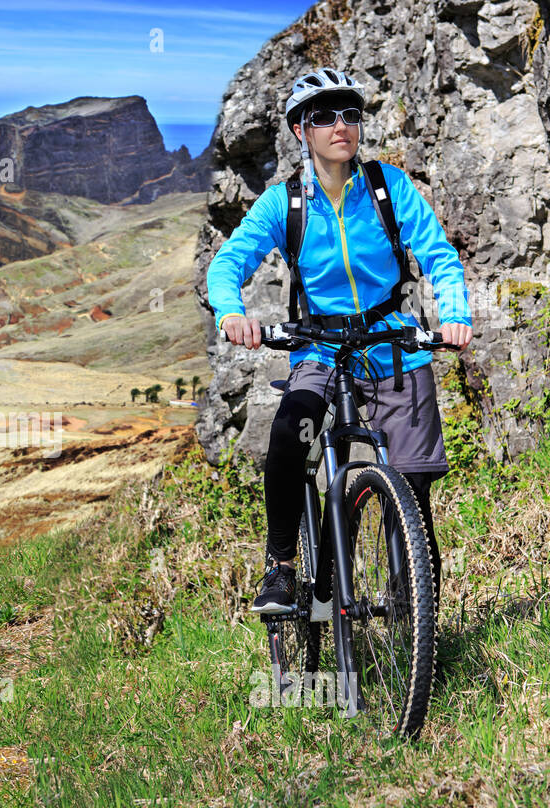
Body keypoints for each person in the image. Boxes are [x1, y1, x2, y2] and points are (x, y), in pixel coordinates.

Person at [206, 67, 474, 615]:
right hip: (320, 349)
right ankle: (281, 568)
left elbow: (440, 258)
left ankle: (414, 620)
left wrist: (453, 316)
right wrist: (232, 313)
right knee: (288, 436)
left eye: (349, 114)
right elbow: (229, 262)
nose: (340, 125)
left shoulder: (387, 188)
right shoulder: (285, 203)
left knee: (414, 496)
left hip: (393, 346)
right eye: (324, 116)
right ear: (301, 129)